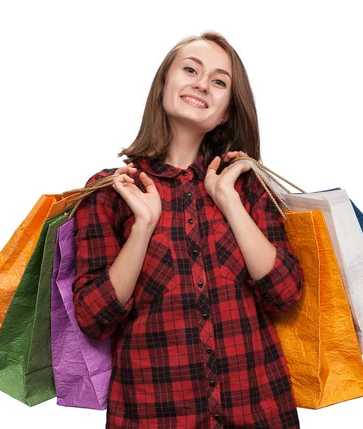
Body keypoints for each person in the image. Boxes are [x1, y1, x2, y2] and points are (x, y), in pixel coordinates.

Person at [72, 31, 304, 428]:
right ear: (164, 83)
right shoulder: (114, 190)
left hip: (260, 410)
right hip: (152, 415)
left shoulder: (246, 185)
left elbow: (285, 294)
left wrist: (229, 201)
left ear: (228, 110)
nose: (202, 83)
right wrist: (143, 226)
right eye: (190, 70)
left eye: (219, 81)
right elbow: (94, 318)